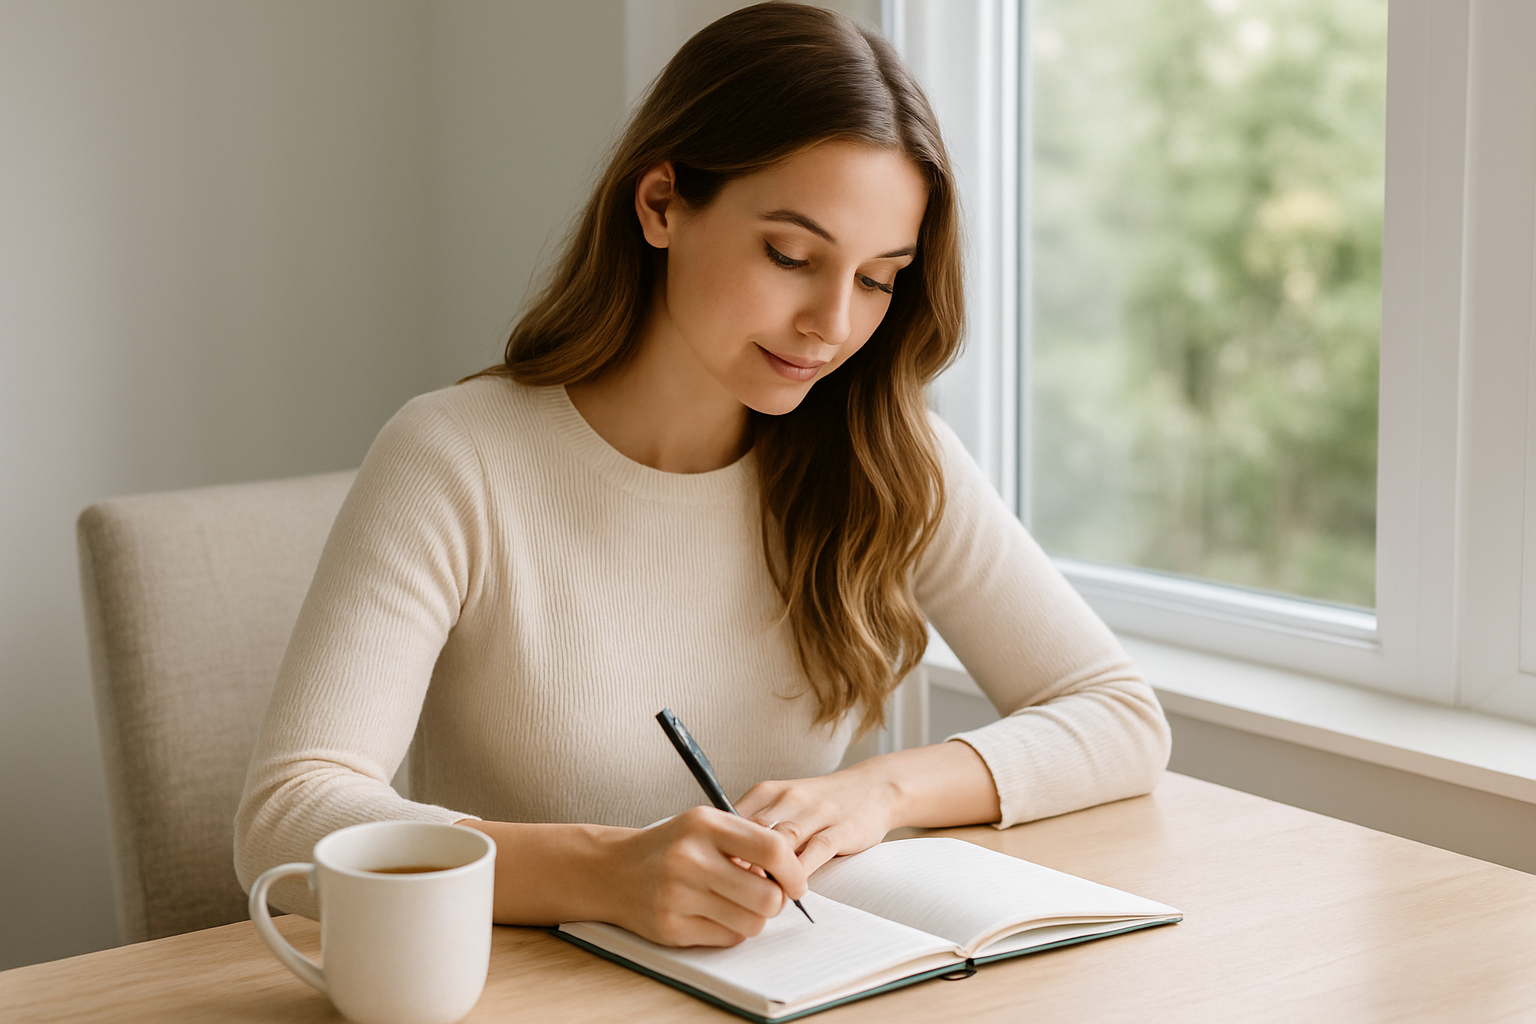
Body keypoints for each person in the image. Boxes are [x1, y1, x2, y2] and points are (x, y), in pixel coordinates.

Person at [234, 1, 1170, 949]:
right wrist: (605, 871)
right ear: (661, 205)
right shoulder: (455, 458)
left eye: (879, 278)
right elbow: (288, 812)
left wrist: (876, 791)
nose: (832, 326)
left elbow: (1119, 715)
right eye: (791, 255)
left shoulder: (884, 451)